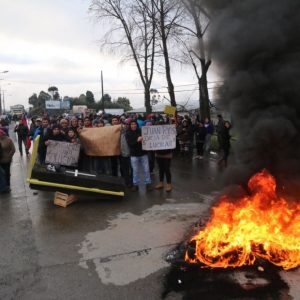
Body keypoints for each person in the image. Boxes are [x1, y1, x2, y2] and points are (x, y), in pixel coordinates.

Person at [126, 120, 152, 191]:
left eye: (135, 124)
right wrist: (137, 141)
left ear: (137, 125)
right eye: (132, 124)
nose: (133, 125)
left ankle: (148, 183)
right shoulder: (128, 133)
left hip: (143, 154)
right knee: (135, 171)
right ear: (130, 125)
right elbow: (130, 144)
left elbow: (148, 139)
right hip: (134, 155)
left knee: (146, 170)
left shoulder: (141, 131)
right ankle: (136, 184)